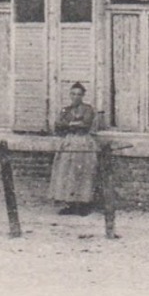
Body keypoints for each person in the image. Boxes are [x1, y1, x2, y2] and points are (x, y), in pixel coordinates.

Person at [49, 83, 99, 215]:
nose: (76, 97)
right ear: (70, 95)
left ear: (83, 96)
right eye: (73, 94)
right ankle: (70, 204)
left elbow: (86, 124)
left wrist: (69, 124)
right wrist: (72, 124)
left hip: (83, 142)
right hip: (69, 142)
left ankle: (83, 204)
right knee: (66, 172)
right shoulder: (65, 110)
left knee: (83, 172)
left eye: (79, 94)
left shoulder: (88, 109)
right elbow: (58, 126)